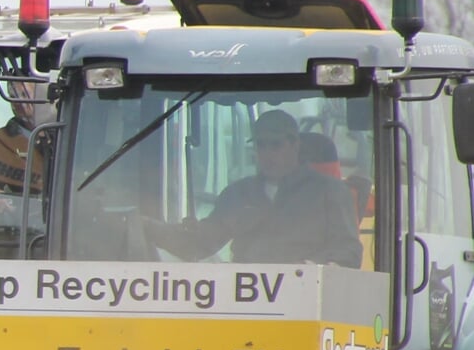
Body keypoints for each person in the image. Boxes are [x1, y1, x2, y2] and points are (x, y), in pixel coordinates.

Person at [143, 109, 362, 267]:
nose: (267, 154)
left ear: (295, 145)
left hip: (306, 302)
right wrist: (147, 227)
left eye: (275, 145)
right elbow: (200, 244)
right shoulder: (238, 195)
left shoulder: (329, 192)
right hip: (247, 302)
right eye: (261, 145)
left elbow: (349, 251)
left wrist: (309, 267)